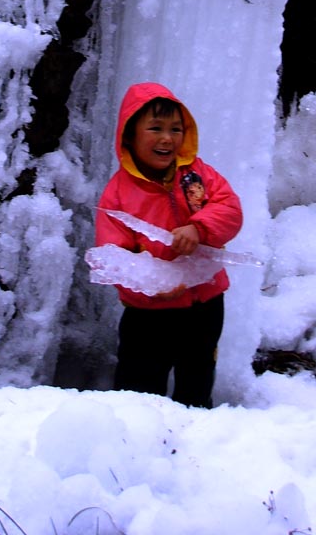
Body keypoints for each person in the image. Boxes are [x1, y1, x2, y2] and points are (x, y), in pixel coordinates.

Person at [95, 81, 243, 408]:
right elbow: (113, 257)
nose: (167, 138)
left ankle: (194, 438)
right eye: (155, 128)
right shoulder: (118, 193)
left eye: (176, 129)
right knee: (138, 390)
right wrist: (147, 287)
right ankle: (137, 443)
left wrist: (199, 227)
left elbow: (231, 210)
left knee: (198, 378)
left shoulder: (198, 175)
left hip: (203, 304)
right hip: (148, 315)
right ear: (130, 135)